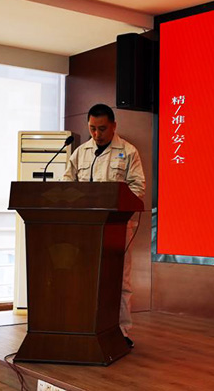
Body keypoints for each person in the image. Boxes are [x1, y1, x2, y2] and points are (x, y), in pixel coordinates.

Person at [62, 103, 145, 349]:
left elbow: (138, 188)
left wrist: (115, 203)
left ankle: (121, 331)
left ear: (114, 126)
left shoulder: (128, 152)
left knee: (120, 281)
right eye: (92, 129)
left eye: (102, 129)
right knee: (84, 278)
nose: (97, 134)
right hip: (84, 229)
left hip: (117, 227)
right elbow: (67, 184)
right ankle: (83, 326)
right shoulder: (81, 152)